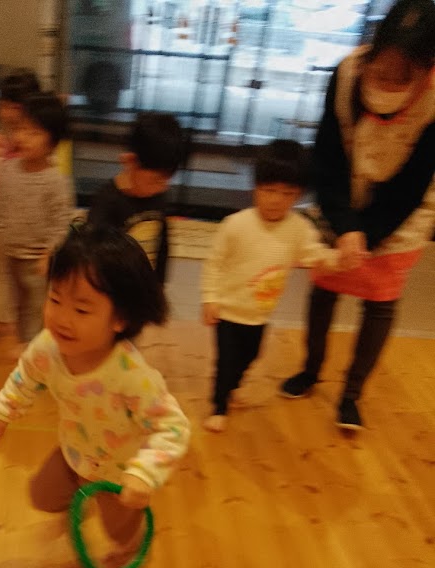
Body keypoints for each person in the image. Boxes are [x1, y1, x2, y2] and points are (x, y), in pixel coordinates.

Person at [0, 224, 190, 556]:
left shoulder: (131, 376)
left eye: (81, 310)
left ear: (120, 319)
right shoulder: (48, 346)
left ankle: (132, 536)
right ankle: (81, 504)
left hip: (119, 470)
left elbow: (173, 427)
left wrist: (144, 474)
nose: (62, 319)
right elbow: (26, 374)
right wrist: (4, 410)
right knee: (41, 496)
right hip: (75, 452)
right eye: (55, 299)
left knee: (120, 535)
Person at [280, 0, 435, 431]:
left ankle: (351, 395)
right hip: (345, 193)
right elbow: (327, 158)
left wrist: (368, 234)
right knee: (325, 288)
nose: (386, 80)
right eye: (380, 69)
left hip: (402, 213)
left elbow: (412, 185)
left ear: (426, 67)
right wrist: (346, 226)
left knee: (380, 302)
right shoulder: (347, 74)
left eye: (401, 75)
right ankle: (310, 371)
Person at [201, 139, 351, 433]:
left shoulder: (299, 228)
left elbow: (314, 254)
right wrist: (210, 298)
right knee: (226, 361)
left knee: (251, 355)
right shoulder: (235, 224)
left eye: (287, 194)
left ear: (298, 195)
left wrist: (338, 260)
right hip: (228, 311)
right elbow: (214, 263)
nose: (276, 200)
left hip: (260, 313)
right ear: (255, 187)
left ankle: (232, 387)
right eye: (269, 190)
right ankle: (219, 406)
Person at [0, 92, 74, 350]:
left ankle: (32, 345)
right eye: (21, 130)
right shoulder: (7, 170)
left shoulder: (56, 181)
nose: (23, 138)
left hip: (37, 258)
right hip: (11, 253)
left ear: (52, 142)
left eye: (34, 133)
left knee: (36, 305)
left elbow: (61, 222)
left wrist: (50, 252)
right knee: (16, 301)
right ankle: (24, 339)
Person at [86, 111, 184, 285]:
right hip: (114, 287)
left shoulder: (157, 195)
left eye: (167, 180)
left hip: (145, 286)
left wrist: (159, 286)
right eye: (156, 180)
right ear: (130, 162)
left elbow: (162, 245)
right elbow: (93, 253)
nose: (163, 187)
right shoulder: (107, 201)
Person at [0, 68, 41, 158]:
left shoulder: (37, 147)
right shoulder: (0, 142)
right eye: (3, 106)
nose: (8, 114)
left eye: (16, 107)